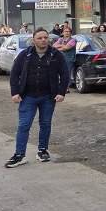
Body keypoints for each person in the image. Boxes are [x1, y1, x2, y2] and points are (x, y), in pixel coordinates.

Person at [5, 28, 69, 167]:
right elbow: (14, 74)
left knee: (45, 124)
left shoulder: (56, 54)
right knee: (24, 125)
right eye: (39, 38)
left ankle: (42, 150)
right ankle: (19, 155)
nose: (43, 40)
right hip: (28, 96)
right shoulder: (25, 54)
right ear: (33, 40)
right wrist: (15, 92)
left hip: (48, 97)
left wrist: (61, 92)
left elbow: (65, 74)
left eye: (45, 37)